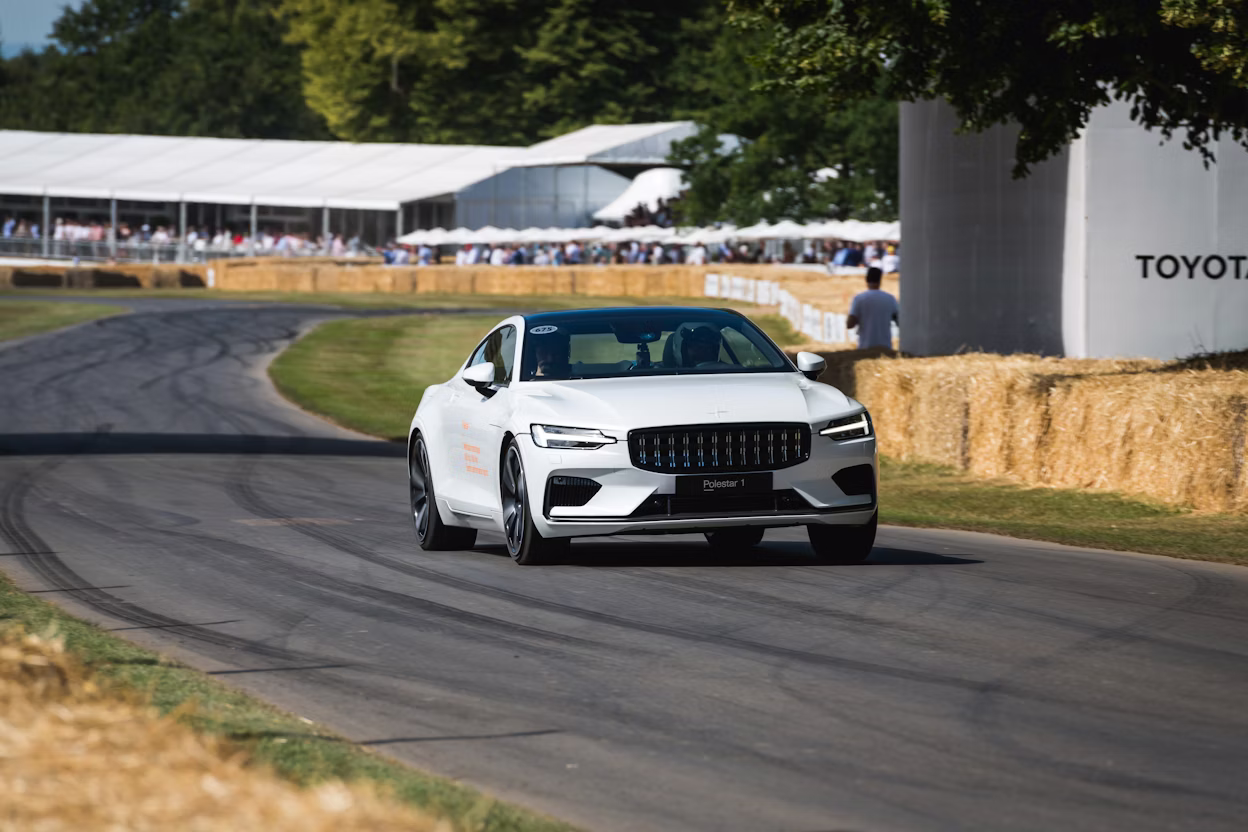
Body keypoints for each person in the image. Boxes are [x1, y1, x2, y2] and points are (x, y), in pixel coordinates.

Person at [847, 266, 899, 349]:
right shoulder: (890, 298)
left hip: (865, 346)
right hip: (885, 347)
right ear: (880, 280)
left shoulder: (859, 299)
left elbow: (850, 324)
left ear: (866, 280)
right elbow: (899, 321)